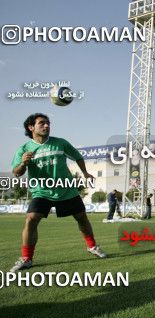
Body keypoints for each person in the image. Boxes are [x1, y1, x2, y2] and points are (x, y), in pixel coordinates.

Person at [10, 113, 106, 272]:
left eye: (48, 123)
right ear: (31, 127)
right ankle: (26, 258)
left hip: (66, 189)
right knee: (31, 218)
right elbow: (16, 172)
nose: (46, 125)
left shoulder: (60, 143)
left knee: (81, 217)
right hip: (42, 191)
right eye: (42, 123)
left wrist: (85, 173)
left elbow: (77, 156)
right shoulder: (24, 149)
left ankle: (92, 246)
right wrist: (23, 163)